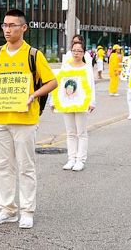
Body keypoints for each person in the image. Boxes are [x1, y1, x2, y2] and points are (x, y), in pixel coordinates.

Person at [0, 9, 57, 229]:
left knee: (26, 167)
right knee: (2, 166)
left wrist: (33, 95)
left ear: (24, 28)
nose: (7, 29)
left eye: (13, 25)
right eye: (5, 25)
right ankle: (8, 209)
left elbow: (52, 82)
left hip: (25, 120)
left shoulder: (33, 54)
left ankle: (27, 211)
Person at [53, 40, 96, 171]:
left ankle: (80, 160)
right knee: (70, 132)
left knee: (81, 132)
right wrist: (53, 101)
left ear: (84, 53)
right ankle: (71, 158)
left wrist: (92, 102)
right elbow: (59, 84)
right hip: (67, 102)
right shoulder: (66, 66)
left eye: (79, 51)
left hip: (81, 103)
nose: (76, 53)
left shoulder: (86, 67)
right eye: (74, 50)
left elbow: (91, 85)